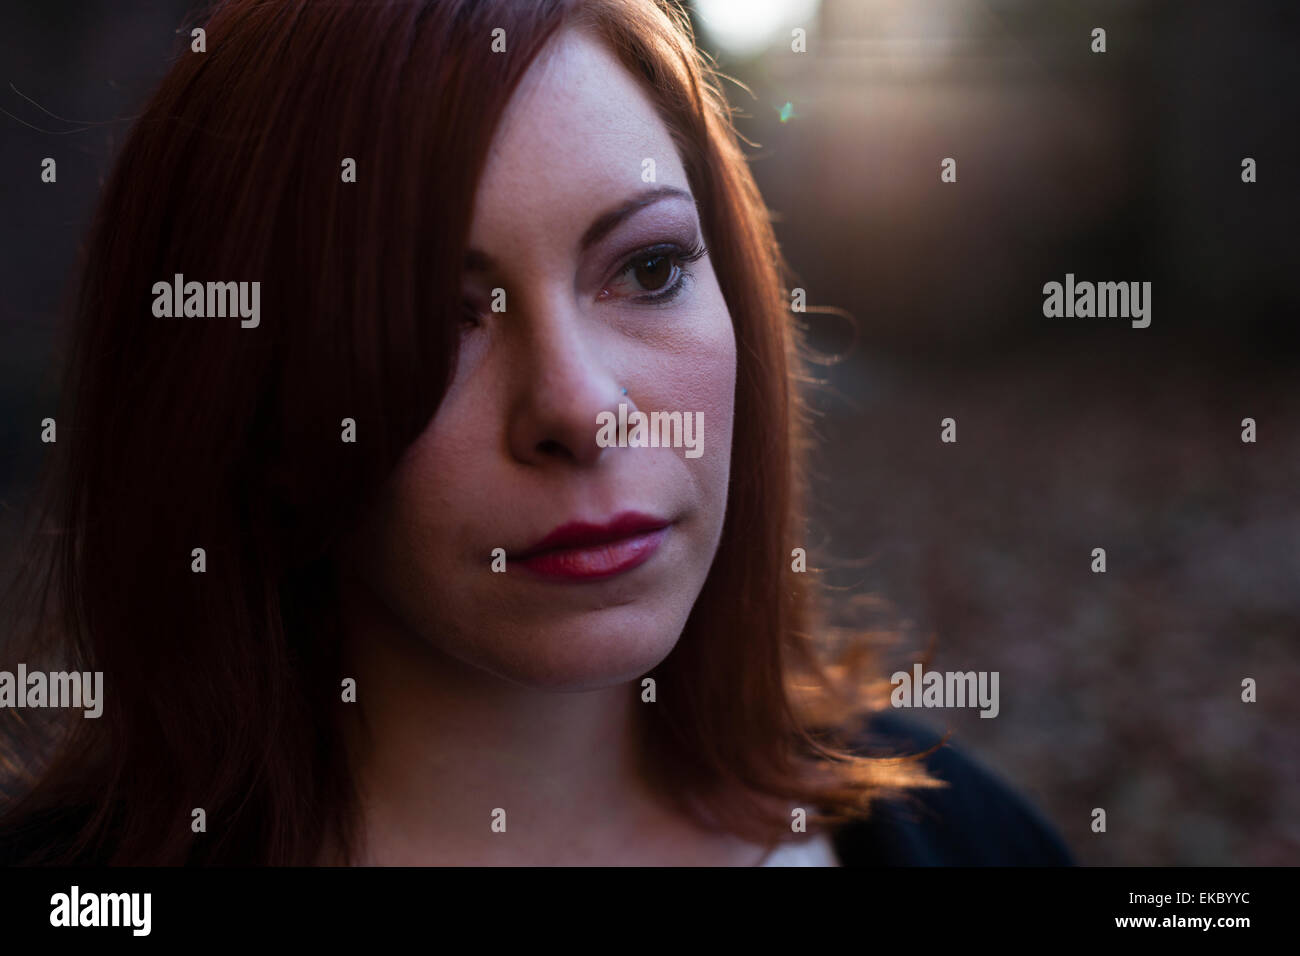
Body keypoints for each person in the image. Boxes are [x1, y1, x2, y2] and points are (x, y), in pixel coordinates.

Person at [0, 0, 1073, 866]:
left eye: (648, 269)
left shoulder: (961, 835)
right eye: (431, 317)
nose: (578, 405)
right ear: (249, 394)